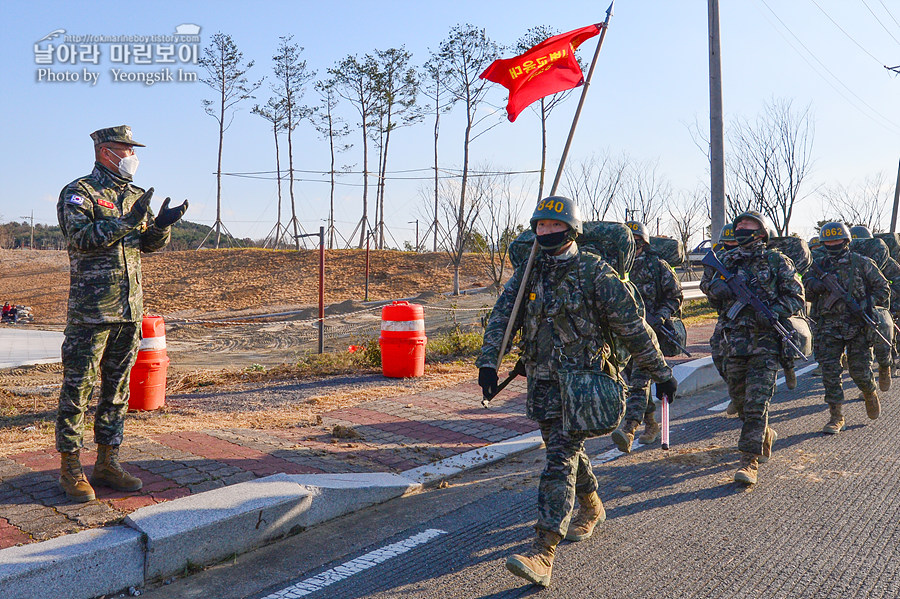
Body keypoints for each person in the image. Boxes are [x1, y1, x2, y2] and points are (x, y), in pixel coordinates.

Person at [477, 196, 677, 587]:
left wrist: (660, 371)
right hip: (542, 382)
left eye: (554, 226)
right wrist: (489, 362)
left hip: (583, 383)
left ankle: (543, 551)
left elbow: (632, 327)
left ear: (571, 229)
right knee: (561, 448)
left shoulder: (594, 271)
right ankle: (591, 503)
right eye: (540, 227)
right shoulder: (529, 272)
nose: (546, 233)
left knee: (559, 459)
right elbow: (503, 315)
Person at [56, 125, 188, 503]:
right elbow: (81, 237)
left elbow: (145, 245)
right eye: (125, 149)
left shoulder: (133, 196)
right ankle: (70, 468)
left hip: (129, 310)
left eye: (133, 149)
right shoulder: (79, 192)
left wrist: (161, 226)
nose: (132, 155)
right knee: (77, 390)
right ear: (104, 152)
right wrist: (126, 222)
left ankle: (107, 463)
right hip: (91, 312)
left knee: (117, 391)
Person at [700, 210, 804, 485]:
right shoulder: (725, 261)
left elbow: (796, 297)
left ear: (761, 231)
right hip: (733, 341)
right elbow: (707, 289)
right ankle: (764, 433)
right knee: (740, 400)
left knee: (757, 402)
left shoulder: (776, 260)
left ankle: (749, 461)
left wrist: (773, 311)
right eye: (739, 225)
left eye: (747, 224)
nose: (741, 228)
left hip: (766, 342)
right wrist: (717, 290)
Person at [803, 222, 889, 434]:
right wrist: (815, 286)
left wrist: (865, 304)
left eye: (837, 240)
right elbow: (804, 292)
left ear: (846, 241)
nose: (833, 244)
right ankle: (836, 416)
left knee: (860, 371)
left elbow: (883, 289)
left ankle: (869, 391)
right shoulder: (818, 266)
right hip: (828, 326)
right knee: (830, 373)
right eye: (829, 241)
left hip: (858, 326)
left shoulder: (862, 263)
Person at [611, 221, 683, 451]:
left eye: (637, 240)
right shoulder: (614, 267)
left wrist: (660, 317)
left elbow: (675, 296)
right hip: (621, 336)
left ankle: (629, 429)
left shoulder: (657, 265)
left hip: (649, 335)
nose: (633, 245)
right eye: (629, 240)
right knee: (628, 380)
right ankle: (651, 422)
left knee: (639, 381)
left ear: (645, 242)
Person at [849, 225, 900, 379]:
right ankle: (869, 385)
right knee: (862, 348)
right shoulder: (848, 262)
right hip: (857, 308)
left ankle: (888, 365)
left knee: (886, 340)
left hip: (883, 306)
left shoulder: (888, 263)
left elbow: (897, 284)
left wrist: (891, 304)